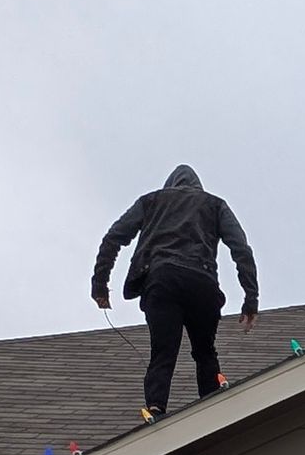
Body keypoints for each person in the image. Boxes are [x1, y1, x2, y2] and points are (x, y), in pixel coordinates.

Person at [91, 164, 260, 418]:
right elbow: (241, 249)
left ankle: (157, 407)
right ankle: (212, 402)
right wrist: (250, 299)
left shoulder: (151, 201)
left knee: (163, 351)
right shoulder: (215, 205)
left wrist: (100, 285)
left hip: (162, 279)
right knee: (205, 351)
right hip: (202, 284)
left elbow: (113, 237)